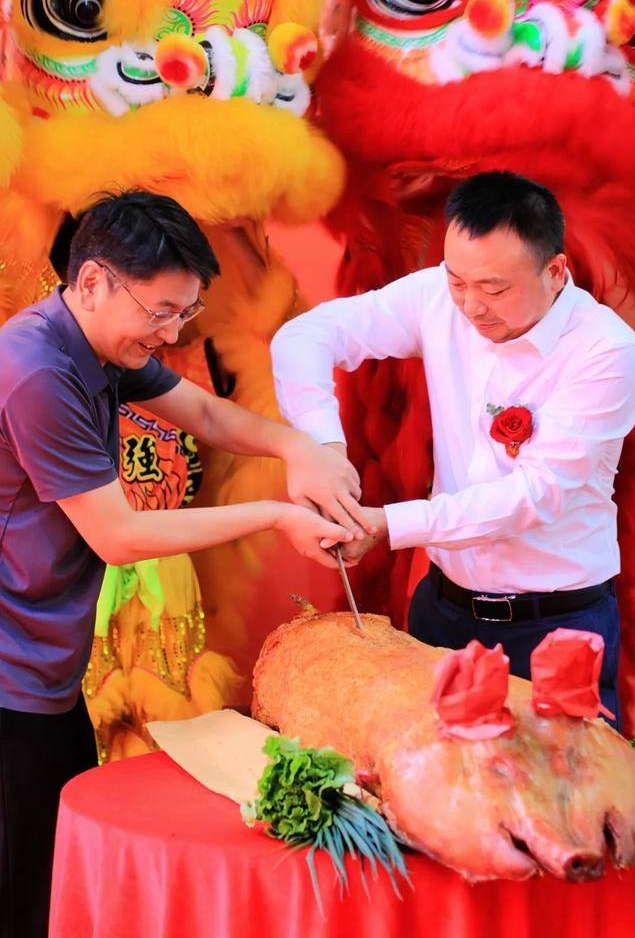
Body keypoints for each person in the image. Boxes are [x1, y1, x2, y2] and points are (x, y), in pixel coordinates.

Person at [0, 190, 370, 938]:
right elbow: (118, 537)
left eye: (185, 312)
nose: (172, 333)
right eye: (161, 311)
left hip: (44, 656)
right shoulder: (37, 368)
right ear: (93, 281)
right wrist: (276, 514)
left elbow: (199, 411)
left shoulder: (100, 342)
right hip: (11, 666)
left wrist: (298, 449)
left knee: (55, 863)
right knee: (24, 886)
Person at [270, 170, 635, 732]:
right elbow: (304, 337)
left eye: (494, 289)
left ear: (555, 270)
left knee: (566, 783)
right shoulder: (437, 297)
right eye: (456, 281)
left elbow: (533, 497)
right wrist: (324, 447)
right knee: (424, 776)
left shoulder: (606, 351)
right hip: (442, 611)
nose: (470, 306)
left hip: (555, 628)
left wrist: (388, 524)